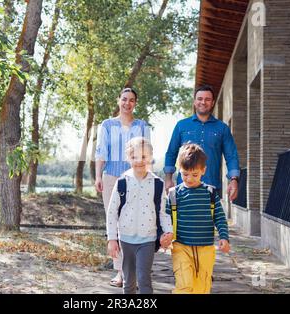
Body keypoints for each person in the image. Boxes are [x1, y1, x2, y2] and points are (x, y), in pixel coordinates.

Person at [95, 87, 151, 287]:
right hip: (111, 176)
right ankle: (120, 272)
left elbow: (147, 154)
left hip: (136, 178)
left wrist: (148, 178)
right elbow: (101, 152)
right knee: (115, 221)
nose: (127, 103)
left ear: (135, 103)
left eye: (132, 100)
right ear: (118, 100)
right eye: (124, 99)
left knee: (134, 221)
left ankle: (132, 272)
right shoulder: (107, 125)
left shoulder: (143, 126)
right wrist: (97, 177)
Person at [106, 137, 173, 294]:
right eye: (134, 157)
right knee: (128, 282)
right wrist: (112, 238)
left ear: (150, 157)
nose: (139, 161)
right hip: (126, 239)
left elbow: (162, 212)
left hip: (147, 239)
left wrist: (168, 232)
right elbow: (112, 212)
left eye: (143, 156)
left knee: (144, 279)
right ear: (129, 158)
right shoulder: (122, 182)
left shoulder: (157, 183)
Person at [162, 143, 230, 294]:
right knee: (184, 286)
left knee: (201, 289)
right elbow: (166, 219)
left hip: (205, 249)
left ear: (203, 171)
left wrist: (224, 237)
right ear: (180, 170)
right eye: (185, 174)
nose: (190, 179)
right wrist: (165, 235)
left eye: (195, 174)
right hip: (181, 247)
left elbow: (219, 218)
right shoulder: (174, 194)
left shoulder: (210, 193)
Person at [164, 85, 240, 200]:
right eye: (200, 99)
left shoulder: (222, 128)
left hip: (211, 188)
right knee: (184, 218)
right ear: (194, 102)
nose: (203, 102)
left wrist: (234, 180)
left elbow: (231, 156)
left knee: (210, 218)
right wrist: (168, 178)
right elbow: (171, 153)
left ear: (213, 102)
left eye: (207, 99)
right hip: (184, 187)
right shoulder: (181, 126)